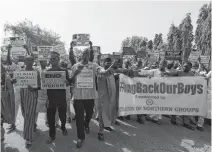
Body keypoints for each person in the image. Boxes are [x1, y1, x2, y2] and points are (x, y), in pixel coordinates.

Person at [70, 47, 116, 148]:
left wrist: (107, 71)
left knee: (90, 113)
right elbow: (71, 80)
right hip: (78, 97)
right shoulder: (75, 66)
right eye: (85, 54)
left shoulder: (94, 65)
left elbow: (101, 71)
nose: (86, 56)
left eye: (89, 54)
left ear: (90, 56)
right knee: (79, 118)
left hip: (90, 96)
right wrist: (76, 72)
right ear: (81, 55)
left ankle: (86, 124)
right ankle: (80, 137)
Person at [46, 52, 69, 144]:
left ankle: (63, 127)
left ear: (58, 60)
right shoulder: (47, 71)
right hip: (51, 99)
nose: (52, 60)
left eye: (54, 58)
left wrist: (67, 83)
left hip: (61, 98)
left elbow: (69, 83)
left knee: (63, 116)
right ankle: (52, 135)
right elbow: (44, 85)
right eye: (51, 59)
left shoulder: (64, 71)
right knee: (51, 119)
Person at [19, 56, 40, 148]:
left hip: (32, 96)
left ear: (33, 61)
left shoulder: (36, 72)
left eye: (31, 60)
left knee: (28, 116)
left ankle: (28, 138)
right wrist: (13, 81)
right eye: (27, 60)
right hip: (23, 95)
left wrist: (34, 88)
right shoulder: (21, 71)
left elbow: (40, 86)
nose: (29, 62)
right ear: (24, 61)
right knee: (25, 114)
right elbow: (16, 83)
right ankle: (32, 124)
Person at [1, 63, 17, 140]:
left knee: (8, 112)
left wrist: (12, 81)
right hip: (4, 98)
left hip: (6, 98)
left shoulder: (6, 75)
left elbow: (10, 88)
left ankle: (12, 124)